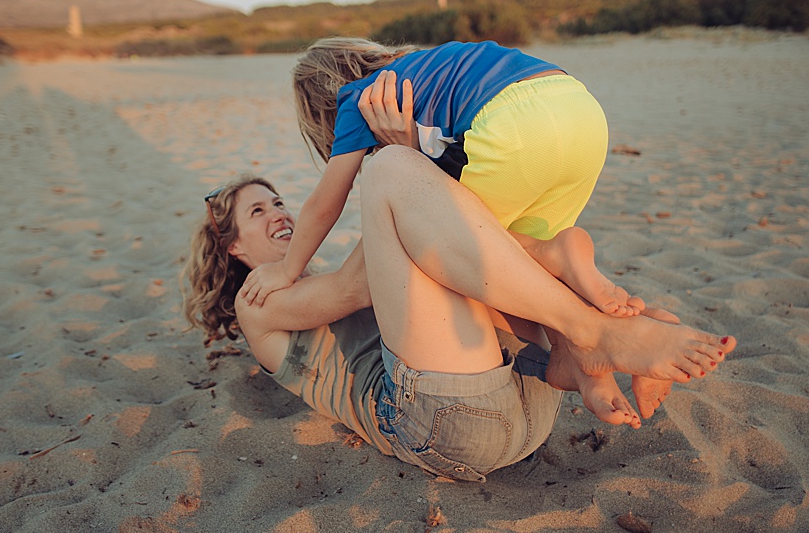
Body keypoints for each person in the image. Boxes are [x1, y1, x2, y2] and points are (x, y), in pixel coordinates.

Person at [181, 147, 731, 480]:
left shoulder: (307, 280)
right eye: (258, 210)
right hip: (436, 424)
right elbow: (353, 288)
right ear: (233, 247)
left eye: (278, 201)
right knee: (395, 174)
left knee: (454, 248)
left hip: (509, 405)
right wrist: (387, 163)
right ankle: (577, 303)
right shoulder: (257, 300)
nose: (278, 212)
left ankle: (570, 356)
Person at [242, 37, 634, 320]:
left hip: (512, 127)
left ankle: (563, 276)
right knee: (527, 256)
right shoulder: (426, 68)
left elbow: (325, 203)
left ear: (322, 104)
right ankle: (580, 354)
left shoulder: (358, 97)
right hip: (580, 109)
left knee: (468, 252)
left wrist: (287, 269)